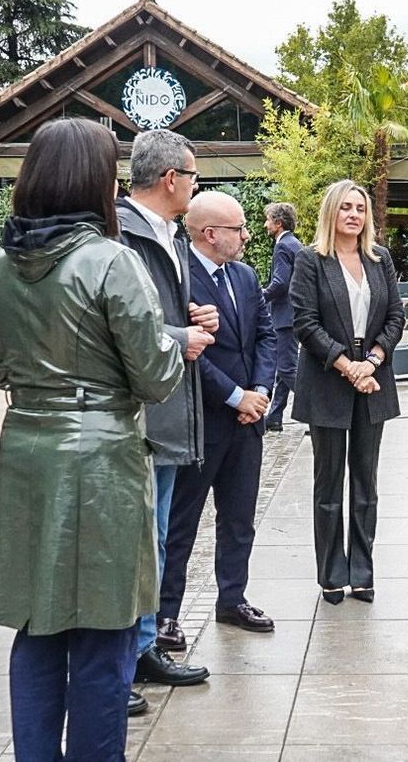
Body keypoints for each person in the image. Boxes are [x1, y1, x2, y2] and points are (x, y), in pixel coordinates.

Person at [0, 118, 183, 761]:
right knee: (105, 632)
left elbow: (0, 369)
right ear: (98, 181)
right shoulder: (111, 260)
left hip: (27, 449)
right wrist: (177, 348)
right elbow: (154, 377)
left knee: (36, 629)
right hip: (102, 456)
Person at [114, 128, 214, 703]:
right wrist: (181, 333)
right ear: (171, 178)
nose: (196, 185)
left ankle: (144, 647)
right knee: (138, 542)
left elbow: (156, 311)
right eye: (194, 174)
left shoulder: (169, 235)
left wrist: (191, 316)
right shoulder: (120, 236)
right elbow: (124, 325)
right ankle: (119, 665)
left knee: (156, 539)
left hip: (174, 407)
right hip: (141, 414)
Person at [159, 191, 277, 632]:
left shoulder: (244, 276)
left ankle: (232, 599)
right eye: (238, 229)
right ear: (210, 234)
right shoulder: (180, 279)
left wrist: (260, 391)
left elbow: (265, 335)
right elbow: (191, 352)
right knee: (181, 522)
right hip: (203, 420)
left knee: (239, 516)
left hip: (248, 419)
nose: (247, 235)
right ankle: (166, 614)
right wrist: (234, 396)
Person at [291, 180, 405, 604]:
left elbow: (395, 316)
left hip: (372, 378)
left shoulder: (380, 259)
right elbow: (305, 323)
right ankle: (331, 574)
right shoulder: (310, 261)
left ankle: (362, 570)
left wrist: (371, 362)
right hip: (327, 378)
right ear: (331, 214)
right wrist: (347, 366)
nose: (354, 215)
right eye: (346, 208)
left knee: (366, 483)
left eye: (360, 208)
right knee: (329, 483)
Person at [262, 201, 303, 432]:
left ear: (278, 223)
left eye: (268, 220)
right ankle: (275, 416)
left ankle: (316, 409)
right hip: (293, 313)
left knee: (287, 369)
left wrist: (259, 297)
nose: (265, 224)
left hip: (285, 316)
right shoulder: (294, 244)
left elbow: (280, 283)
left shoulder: (282, 247)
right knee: (283, 368)